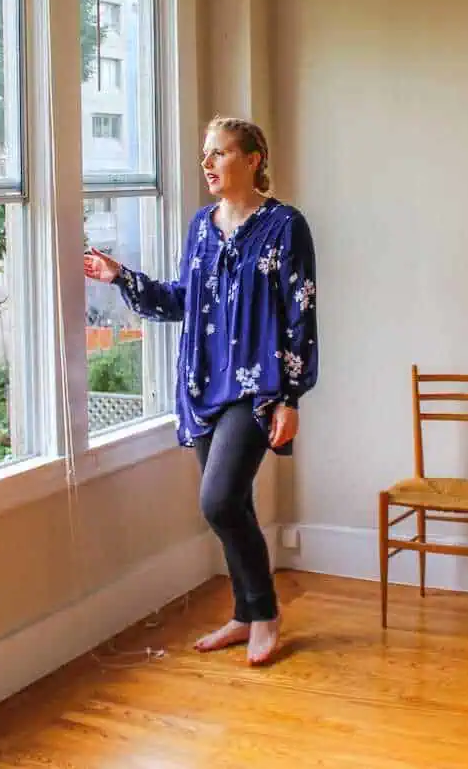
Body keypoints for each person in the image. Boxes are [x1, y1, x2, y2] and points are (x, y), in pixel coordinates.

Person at [84, 116, 317, 666]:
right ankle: (243, 613)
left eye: (219, 153)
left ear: (253, 158)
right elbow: (182, 299)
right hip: (202, 382)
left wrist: (291, 397)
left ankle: (265, 613)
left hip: (255, 387)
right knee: (231, 502)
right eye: (204, 156)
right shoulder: (200, 227)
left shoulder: (286, 225)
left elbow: (300, 312)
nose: (208, 164)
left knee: (216, 501)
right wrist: (120, 276)